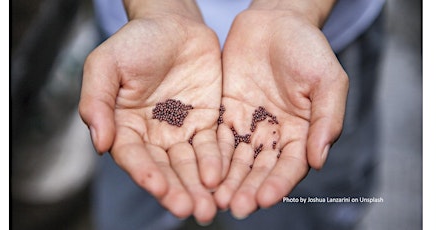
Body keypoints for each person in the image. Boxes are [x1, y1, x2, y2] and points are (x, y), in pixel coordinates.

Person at [79, 0, 386, 229]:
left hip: (312, 47)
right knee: (140, 182)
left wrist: (291, 8)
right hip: (147, 59)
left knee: (300, 209)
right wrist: (159, 8)